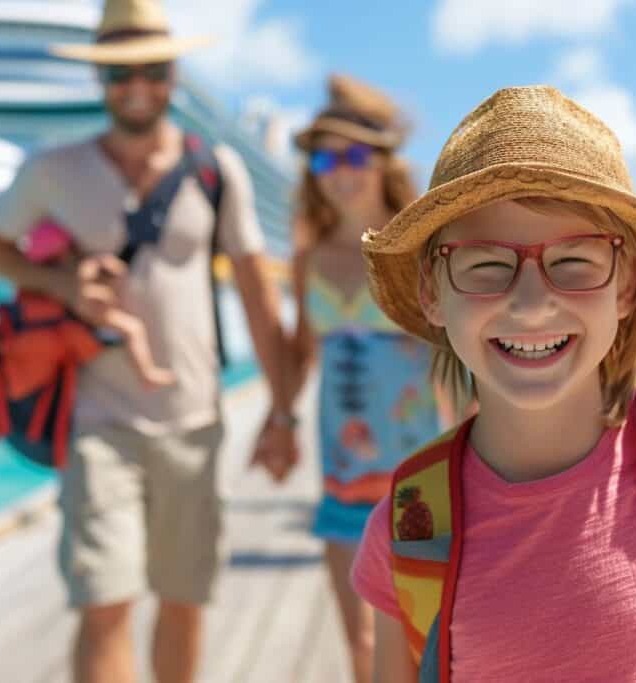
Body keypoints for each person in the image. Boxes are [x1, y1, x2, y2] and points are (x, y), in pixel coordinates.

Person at [351, 87, 636, 681]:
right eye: (486, 265)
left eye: (575, 262)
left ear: (625, 287)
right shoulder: (409, 530)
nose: (530, 303)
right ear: (431, 292)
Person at [0, 1, 296, 682]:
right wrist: (61, 287)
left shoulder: (217, 169)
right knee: (104, 601)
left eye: (149, 68)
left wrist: (282, 409)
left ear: (173, 72)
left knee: (183, 602)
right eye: (119, 72)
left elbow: (261, 299)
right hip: (98, 420)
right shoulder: (52, 170)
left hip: (194, 419)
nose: (135, 84)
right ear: (100, 80)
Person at [284, 74, 442, 683]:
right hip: (341, 482)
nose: (339, 170)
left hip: (419, 485)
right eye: (325, 157)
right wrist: (277, 420)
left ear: (381, 162)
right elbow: (301, 350)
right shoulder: (308, 256)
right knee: (361, 652)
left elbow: (459, 360)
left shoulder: (418, 250)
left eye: (354, 155)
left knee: (430, 648)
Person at [22, 218, 176, 389]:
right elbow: (86, 294)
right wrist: (107, 289)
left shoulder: (72, 270)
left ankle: (147, 372)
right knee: (134, 329)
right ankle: (147, 373)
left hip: (91, 321)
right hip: (95, 320)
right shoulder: (82, 269)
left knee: (132, 329)